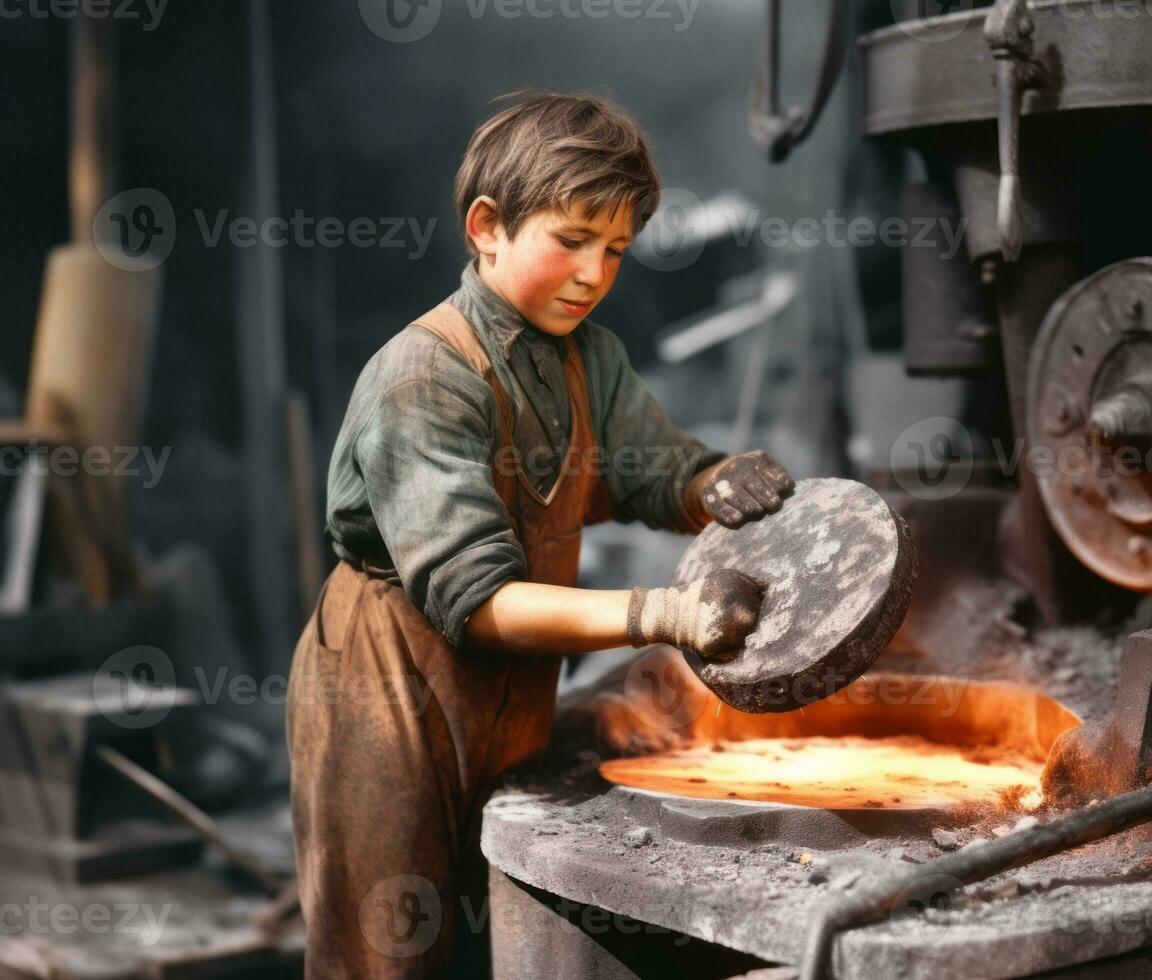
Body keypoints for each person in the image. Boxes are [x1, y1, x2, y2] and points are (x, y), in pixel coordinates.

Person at [286, 90, 795, 977]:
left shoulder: (587, 357)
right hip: (389, 694)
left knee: (503, 928)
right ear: (486, 227)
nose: (594, 273)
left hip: (508, 693)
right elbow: (476, 603)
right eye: (569, 240)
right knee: (391, 951)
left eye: (616, 251)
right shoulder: (422, 377)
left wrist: (713, 480)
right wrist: (665, 615)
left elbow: (650, 468)